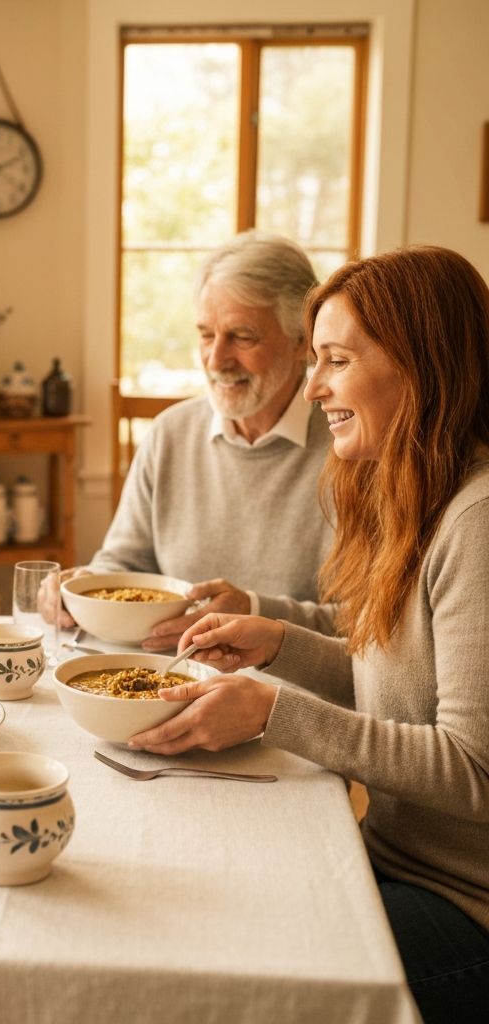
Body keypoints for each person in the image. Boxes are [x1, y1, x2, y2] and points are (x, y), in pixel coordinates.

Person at [130, 246, 489, 1022]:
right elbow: (385, 659)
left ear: (420, 367)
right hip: (391, 860)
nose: (317, 386)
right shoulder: (417, 493)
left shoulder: (478, 521)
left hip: (466, 905)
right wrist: (277, 640)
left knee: (220, 983)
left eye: (335, 360)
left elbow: (470, 769)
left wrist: (271, 709)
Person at [62, 232, 336, 647]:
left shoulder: (350, 446)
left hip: (291, 692)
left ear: (301, 340)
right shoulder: (170, 433)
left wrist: (256, 612)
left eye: (242, 337)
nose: (216, 359)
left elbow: (369, 623)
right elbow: (123, 563)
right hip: (167, 674)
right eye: (207, 335)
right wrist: (82, 588)